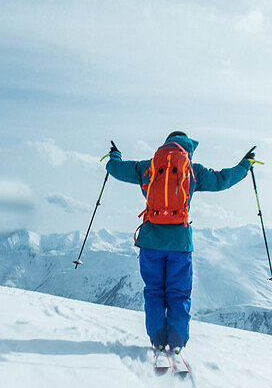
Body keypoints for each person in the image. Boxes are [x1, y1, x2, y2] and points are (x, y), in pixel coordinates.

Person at [105, 132, 255, 362]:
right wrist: (246, 164)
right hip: (180, 244)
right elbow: (223, 180)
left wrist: (114, 155)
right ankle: (175, 344)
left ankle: (157, 341)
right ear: (188, 149)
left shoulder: (149, 166)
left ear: (165, 145)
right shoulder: (193, 170)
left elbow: (116, 169)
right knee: (178, 294)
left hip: (150, 242)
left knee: (154, 292)